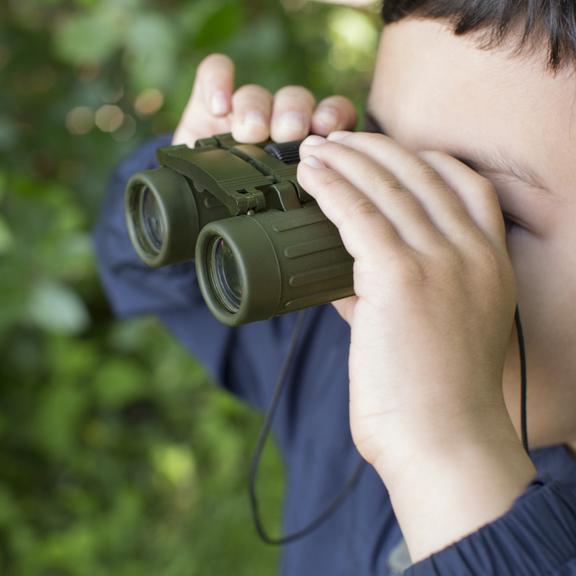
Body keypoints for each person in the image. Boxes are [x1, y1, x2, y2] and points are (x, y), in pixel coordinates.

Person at [93, 0, 576, 573]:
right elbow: (136, 266)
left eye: (484, 207)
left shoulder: (394, 385)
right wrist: (210, 183)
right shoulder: (340, 348)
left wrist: (448, 451)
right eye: (375, 145)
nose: (371, 231)